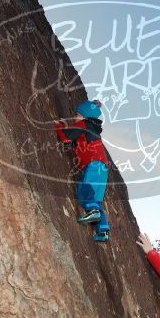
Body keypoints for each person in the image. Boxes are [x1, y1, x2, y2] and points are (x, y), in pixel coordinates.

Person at [55, 99, 110, 243]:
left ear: (85, 116)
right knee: (96, 199)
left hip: (93, 164)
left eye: (78, 114)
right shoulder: (92, 128)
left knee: (84, 190)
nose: (75, 117)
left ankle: (93, 212)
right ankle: (103, 231)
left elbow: (66, 138)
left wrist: (59, 125)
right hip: (102, 168)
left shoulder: (84, 124)